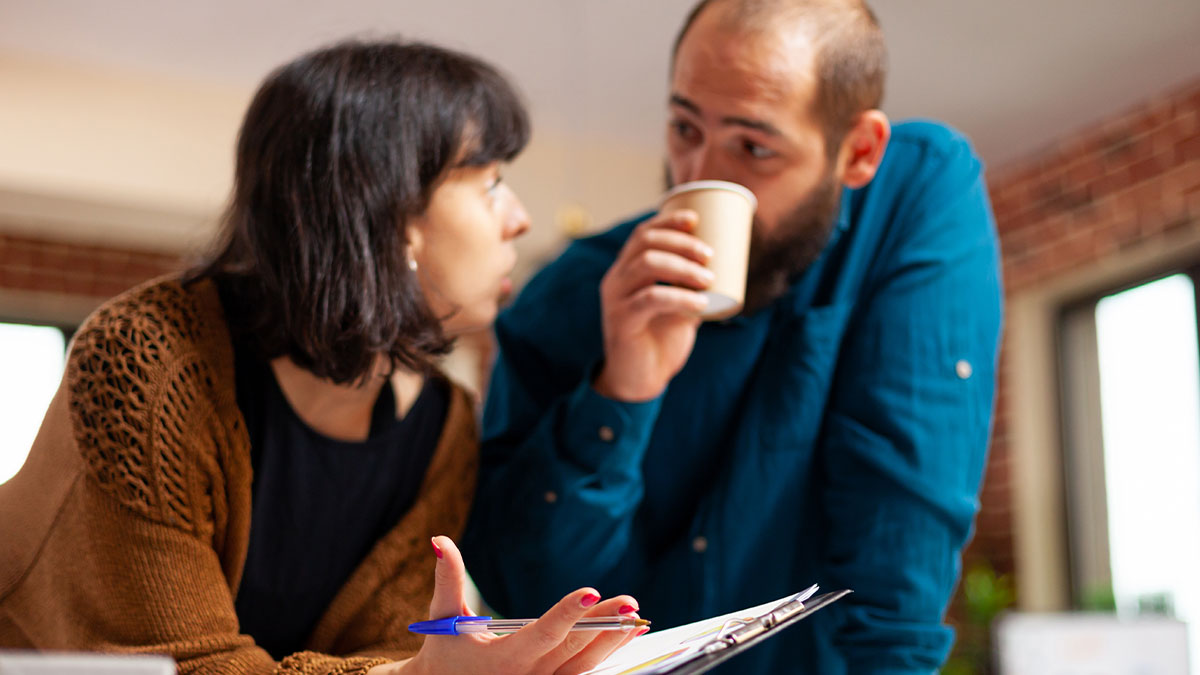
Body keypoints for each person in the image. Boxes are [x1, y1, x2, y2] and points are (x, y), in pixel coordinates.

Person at [0, 40, 643, 675]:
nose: (521, 219)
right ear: (393, 213)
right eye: (491, 184)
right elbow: (178, 664)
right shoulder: (147, 358)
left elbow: (387, 650)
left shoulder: (443, 424)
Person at [463, 0, 1004, 672]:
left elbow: (897, 561)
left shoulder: (912, 197)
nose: (698, 175)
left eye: (753, 147)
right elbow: (538, 609)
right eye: (684, 126)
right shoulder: (566, 301)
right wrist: (621, 392)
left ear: (858, 151)